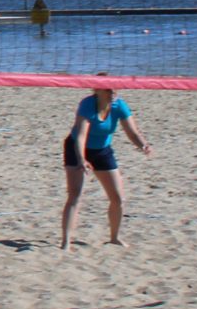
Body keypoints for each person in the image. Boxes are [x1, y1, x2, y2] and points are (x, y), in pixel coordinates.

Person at [60, 83, 155, 248]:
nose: (113, 92)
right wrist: (82, 159)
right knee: (75, 195)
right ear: (97, 91)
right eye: (108, 89)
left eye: (114, 88)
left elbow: (132, 132)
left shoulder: (119, 105)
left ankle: (114, 238)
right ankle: (66, 242)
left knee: (118, 198)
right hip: (76, 148)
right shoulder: (87, 104)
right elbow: (81, 135)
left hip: (102, 151)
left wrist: (143, 145)